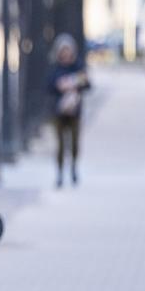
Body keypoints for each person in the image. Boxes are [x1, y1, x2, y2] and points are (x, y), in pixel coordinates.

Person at [47, 33, 91, 188]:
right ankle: (59, 173)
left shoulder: (78, 66)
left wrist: (76, 83)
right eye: (63, 51)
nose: (65, 54)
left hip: (74, 111)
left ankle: (73, 167)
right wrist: (60, 85)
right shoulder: (55, 68)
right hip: (58, 112)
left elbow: (88, 85)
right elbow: (48, 86)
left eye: (68, 50)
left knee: (74, 143)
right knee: (60, 144)